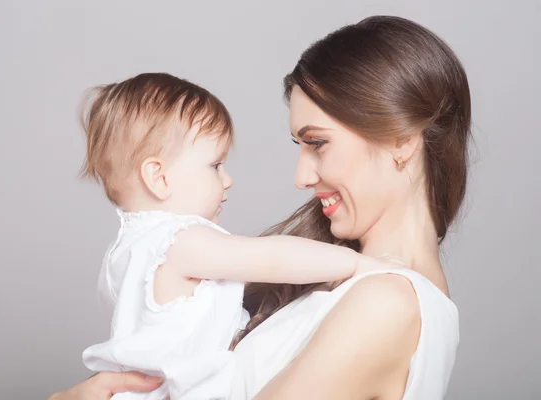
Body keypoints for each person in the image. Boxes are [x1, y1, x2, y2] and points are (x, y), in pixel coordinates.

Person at [50, 14, 470, 400]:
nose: (301, 178)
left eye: (318, 143)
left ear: (402, 141)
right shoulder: (351, 286)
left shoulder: (386, 301)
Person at [79, 73, 401, 400]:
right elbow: (273, 258)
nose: (227, 179)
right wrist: (356, 263)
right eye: (215, 165)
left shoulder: (124, 252)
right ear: (158, 177)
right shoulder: (179, 242)